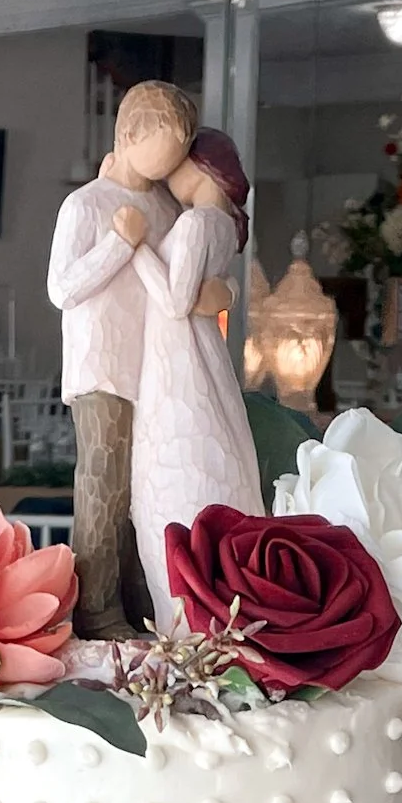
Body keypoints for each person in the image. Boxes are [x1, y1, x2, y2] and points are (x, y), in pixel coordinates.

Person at [48, 82, 227, 640]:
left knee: (143, 492)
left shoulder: (166, 205)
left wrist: (224, 293)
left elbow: (187, 273)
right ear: (128, 137)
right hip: (102, 367)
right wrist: (118, 245)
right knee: (103, 486)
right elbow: (61, 287)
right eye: (160, 153)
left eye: (177, 157)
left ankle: (140, 601)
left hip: (156, 370)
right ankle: (97, 612)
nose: (167, 168)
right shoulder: (85, 205)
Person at [116, 128, 264, 631]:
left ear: (202, 167)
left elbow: (176, 301)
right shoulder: (219, 225)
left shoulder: (199, 220)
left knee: (174, 468)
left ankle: (182, 618)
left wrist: (136, 248)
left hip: (176, 356)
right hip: (197, 355)